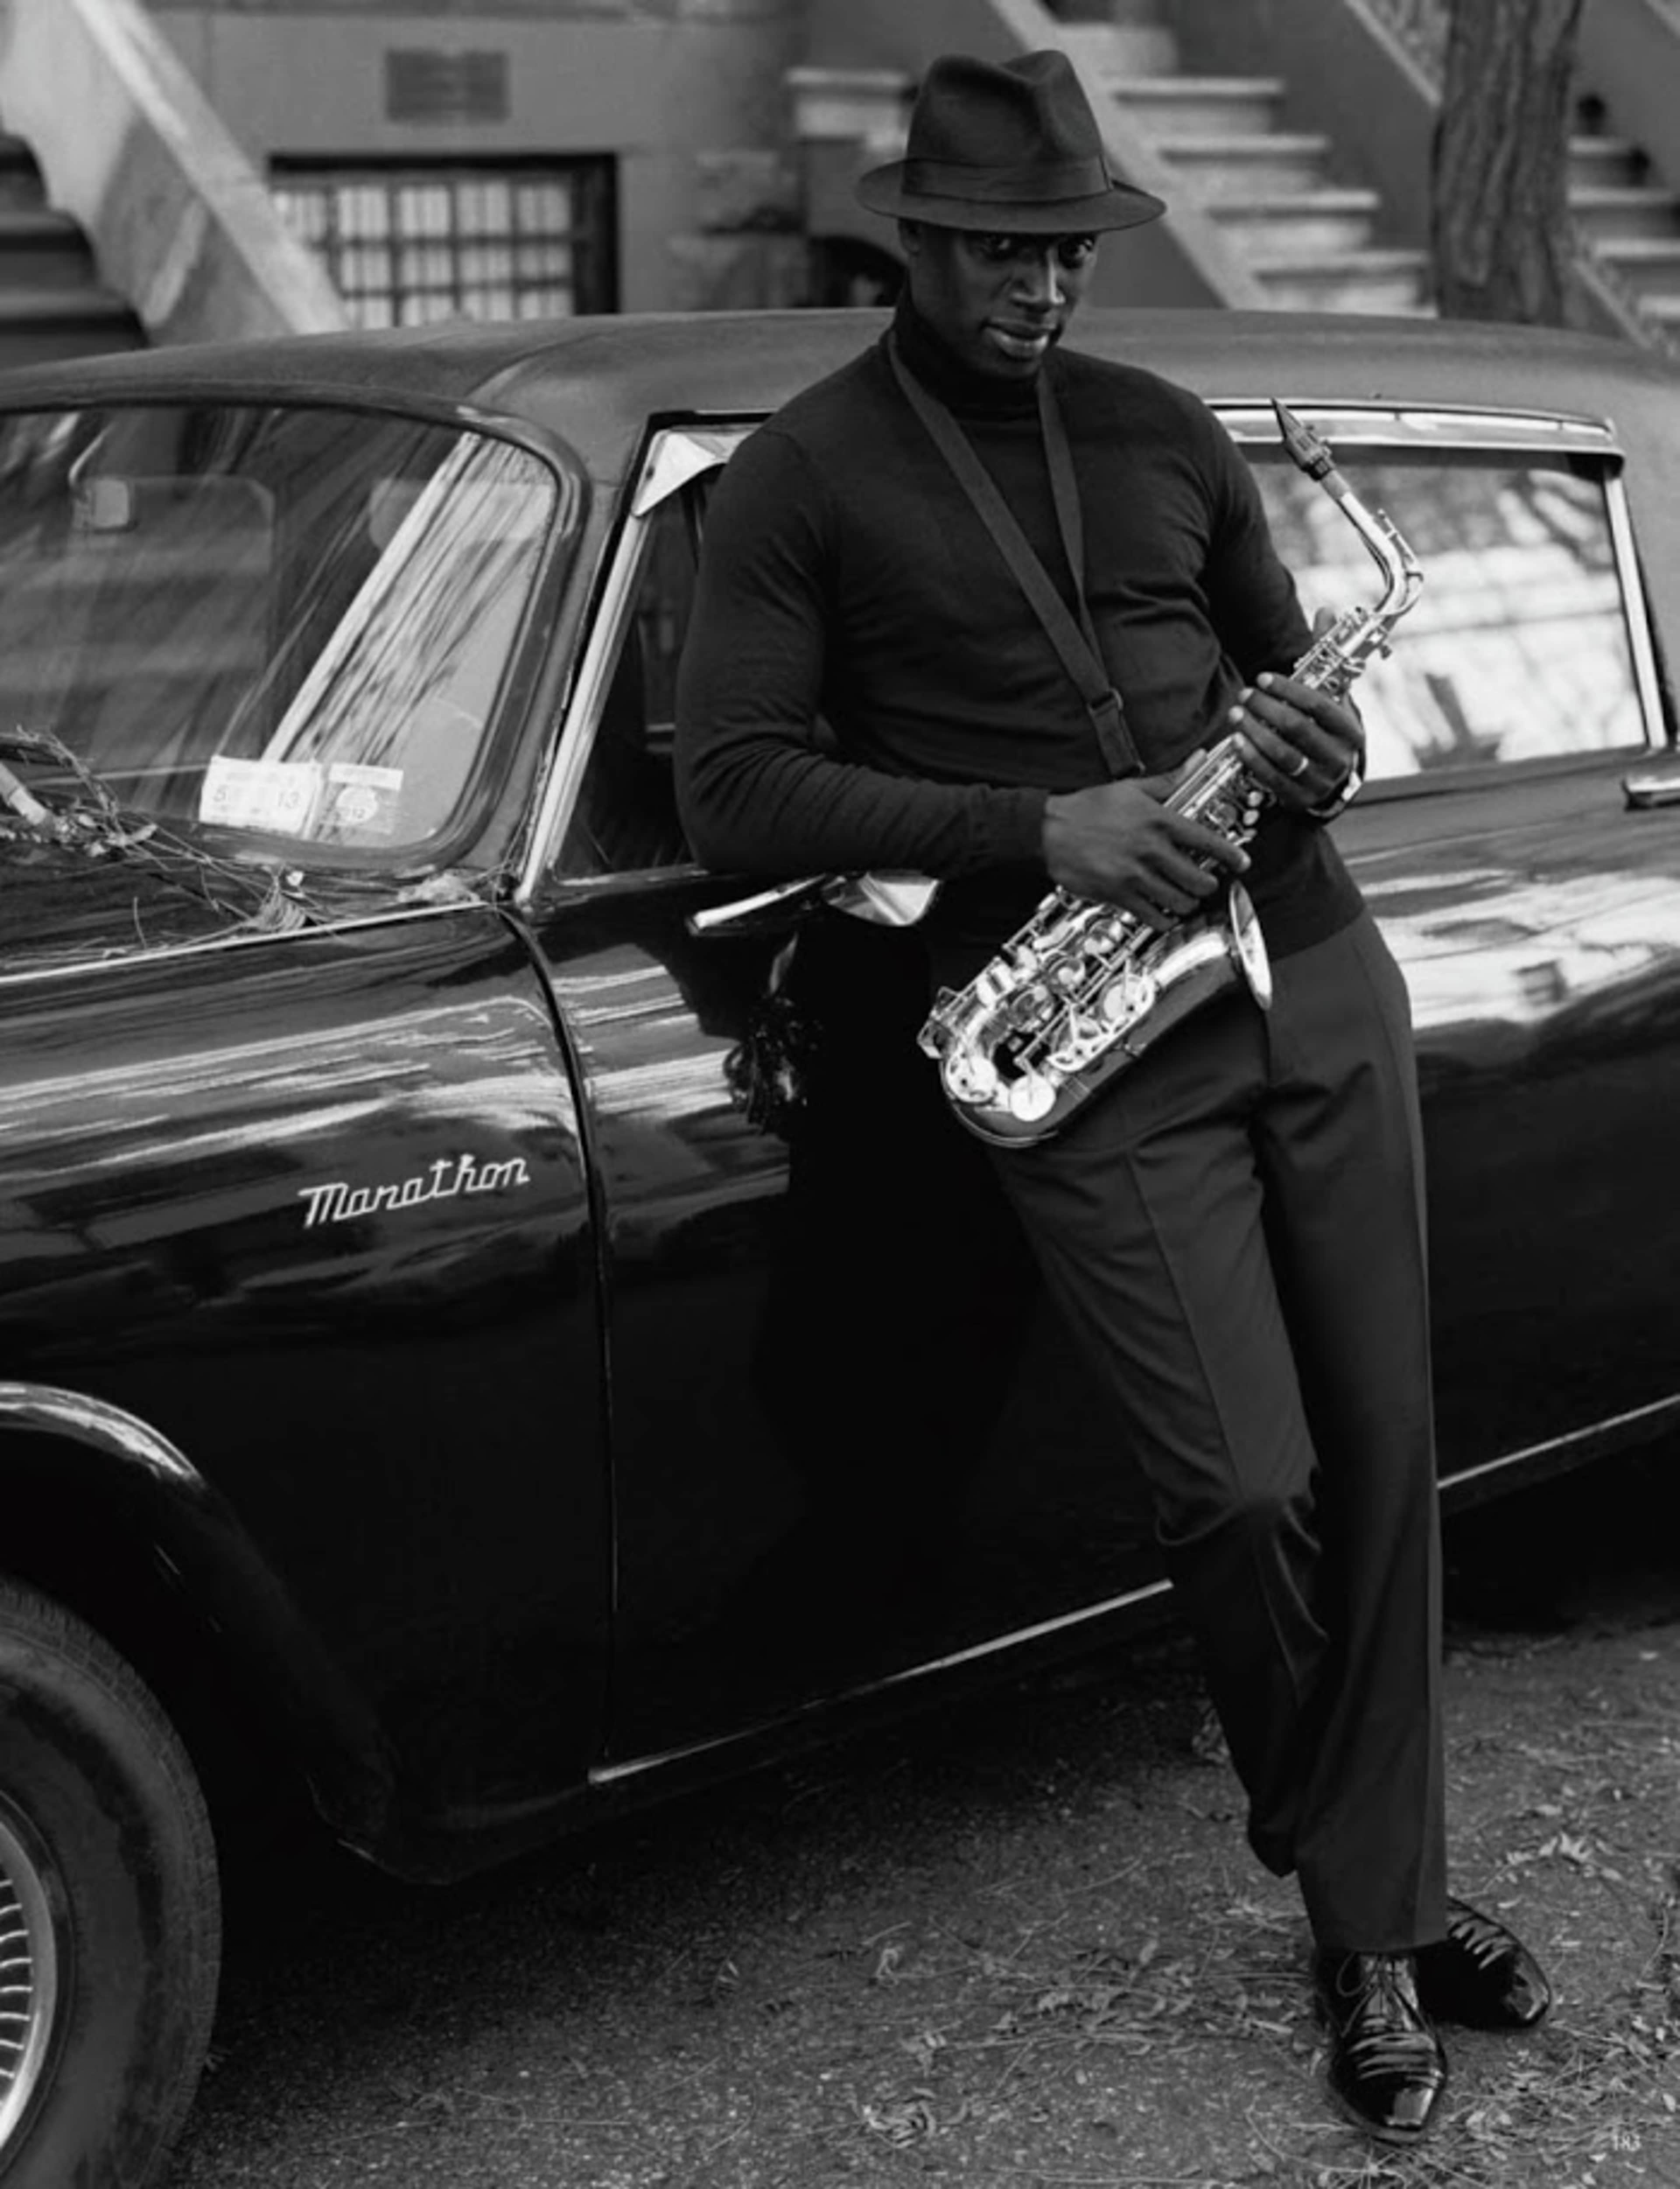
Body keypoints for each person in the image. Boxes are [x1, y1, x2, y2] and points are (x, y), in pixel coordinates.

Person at [674, 48, 1550, 2145]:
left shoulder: (1167, 434)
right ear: (915, 241)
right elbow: (730, 788)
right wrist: (1038, 832)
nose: (1043, 289)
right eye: (1001, 251)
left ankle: (1378, 1920)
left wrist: (1312, 747)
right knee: (1246, 1486)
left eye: (1068, 252)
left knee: (1385, 1445)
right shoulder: (803, 476)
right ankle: (1367, 1892)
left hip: (1307, 963)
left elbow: (1299, 694)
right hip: (1087, 1033)